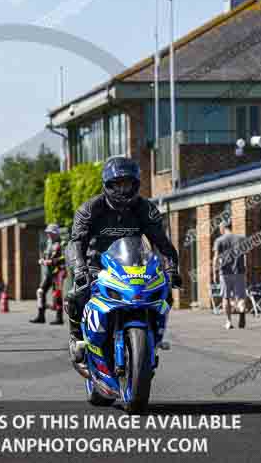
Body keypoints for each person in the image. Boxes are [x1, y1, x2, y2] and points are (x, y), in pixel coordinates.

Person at [66, 156, 182, 365]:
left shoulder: (145, 209)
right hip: (96, 267)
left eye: (127, 183)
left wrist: (171, 268)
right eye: (118, 184)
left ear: (135, 184)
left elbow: (162, 243)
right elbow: (76, 242)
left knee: (165, 294)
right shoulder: (91, 208)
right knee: (76, 294)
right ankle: (77, 337)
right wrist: (79, 268)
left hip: (134, 267)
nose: (123, 189)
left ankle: (154, 338)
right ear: (108, 185)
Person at [213, 222, 248, 330]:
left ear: (223, 228)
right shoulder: (241, 238)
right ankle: (241, 310)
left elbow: (216, 258)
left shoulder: (219, 240)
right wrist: (246, 269)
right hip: (239, 272)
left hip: (225, 273)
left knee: (226, 298)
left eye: (220, 229)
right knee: (241, 297)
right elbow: (246, 256)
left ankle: (228, 322)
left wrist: (214, 272)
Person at [30, 223, 66, 325]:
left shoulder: (62, 243)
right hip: (49, 273)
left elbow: (64, 257)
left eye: (51, 233)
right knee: (40, 291)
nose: (49, 235)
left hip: (58, 272)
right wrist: (42, 260)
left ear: (56, 233)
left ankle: (59, 318)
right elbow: (47, 256)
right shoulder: (49, 242)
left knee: (57, 295)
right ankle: (41, 316)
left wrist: (53, 261)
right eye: (48, 233)